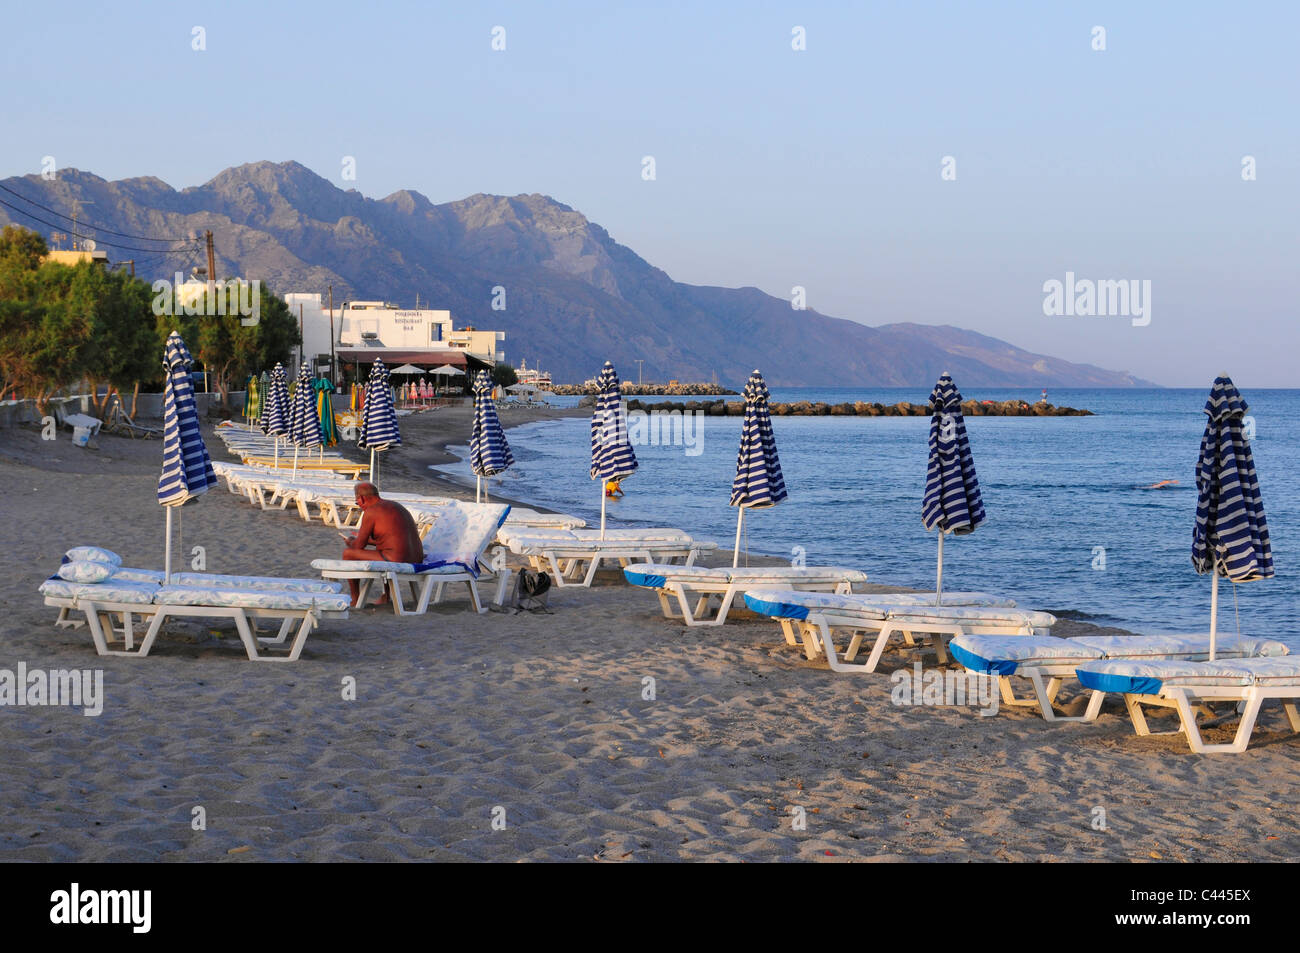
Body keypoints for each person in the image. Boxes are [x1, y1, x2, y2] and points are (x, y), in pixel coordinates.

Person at [341, 482, 424, 606]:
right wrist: (362, 540)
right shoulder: (396, 506)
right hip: (417, 558)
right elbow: (386, 539)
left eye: (357, 503)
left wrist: (351, 542)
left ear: (361, 498)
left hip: (397, 559)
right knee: (383, 549)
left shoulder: (371, 511)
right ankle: (386, 595)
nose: (360, 507)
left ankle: (355, 598)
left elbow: (358, 547)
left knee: (348, 554)